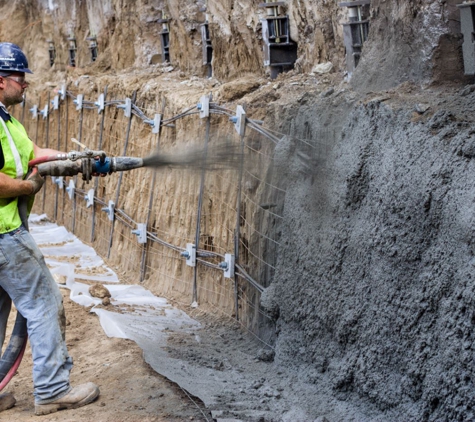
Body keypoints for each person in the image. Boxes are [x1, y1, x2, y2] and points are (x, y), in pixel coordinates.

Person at [0, 42, 99, 415]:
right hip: (5, 235)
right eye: (18, 78)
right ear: (0, 80)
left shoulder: (6, 121)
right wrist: (27, 187)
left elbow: (31, 153)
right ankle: (53, 389)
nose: (24, 85)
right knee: (43, 304)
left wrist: (73, 158)